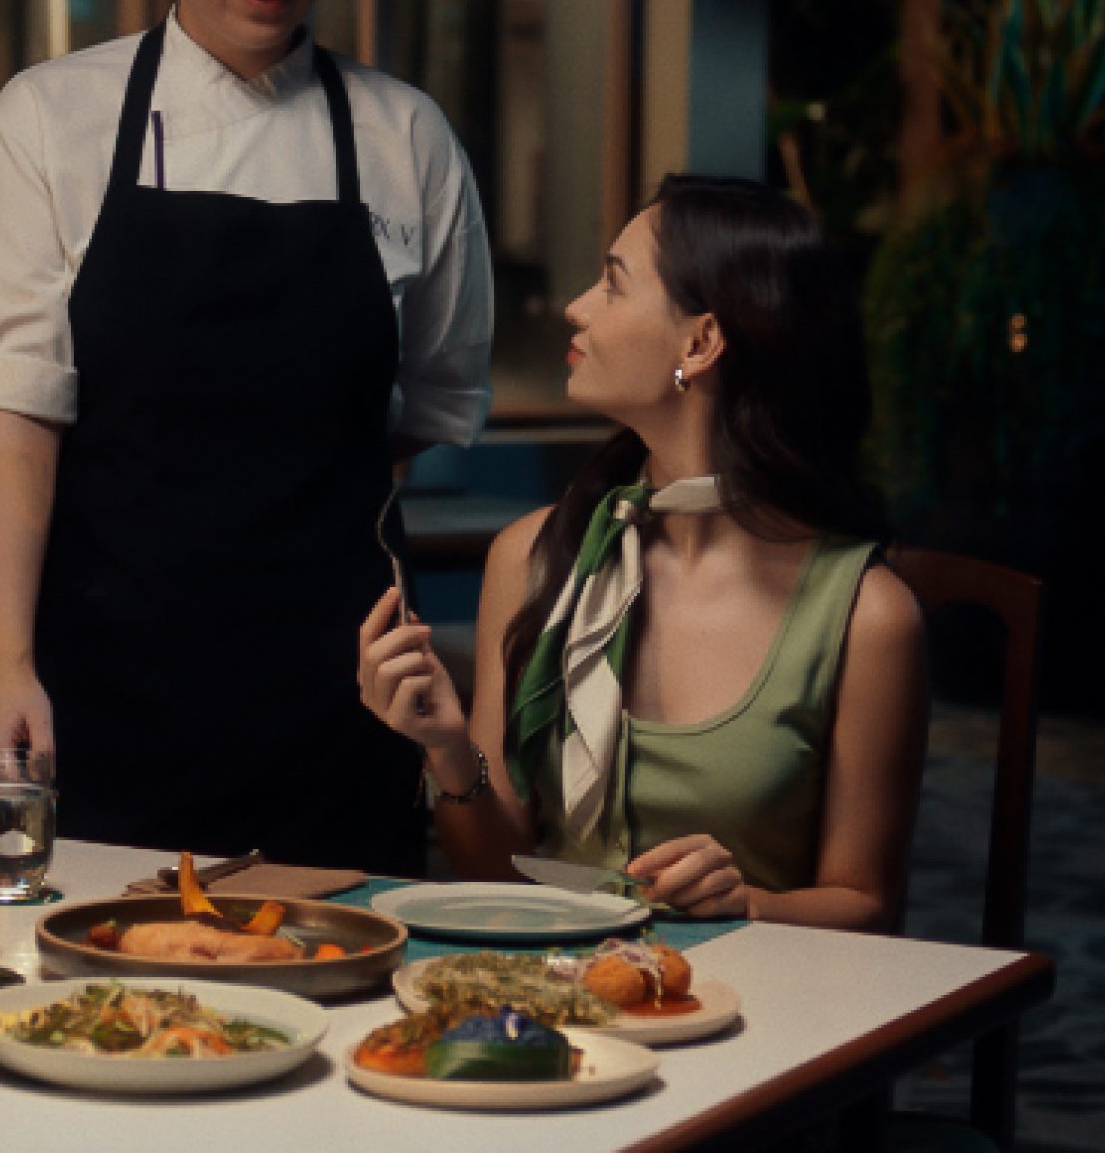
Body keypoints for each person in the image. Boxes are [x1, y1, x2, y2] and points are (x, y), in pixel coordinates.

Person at [0, 0, 494, 875]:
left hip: (334, 687)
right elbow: (15, 421)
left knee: (337, 983)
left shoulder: (406, 138)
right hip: (99, 671)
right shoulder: (51, 119)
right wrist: (10, 666)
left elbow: (430, 400)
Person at [356, 177, 927, 929]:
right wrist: (446, 745)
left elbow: (869, 907)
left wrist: (745, 903)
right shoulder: (530, 557)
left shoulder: (868, 613)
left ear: (701, 343)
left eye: (613, 286)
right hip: (562, 1009)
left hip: (760, 1013)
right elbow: (495, 873)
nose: (576, 307)